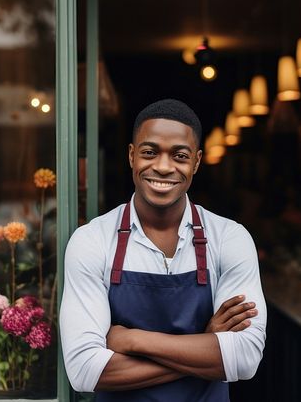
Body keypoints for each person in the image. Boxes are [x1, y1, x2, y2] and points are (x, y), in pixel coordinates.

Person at [60, 99, 266, 400]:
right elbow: (84, 371)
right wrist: (206, 345)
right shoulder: (93, 240)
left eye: (179, 156)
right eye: (149, 152)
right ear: (132, 156)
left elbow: (245, 359)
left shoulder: (230, 238)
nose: (163, 166)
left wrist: (131, 340)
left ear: (196, 162)